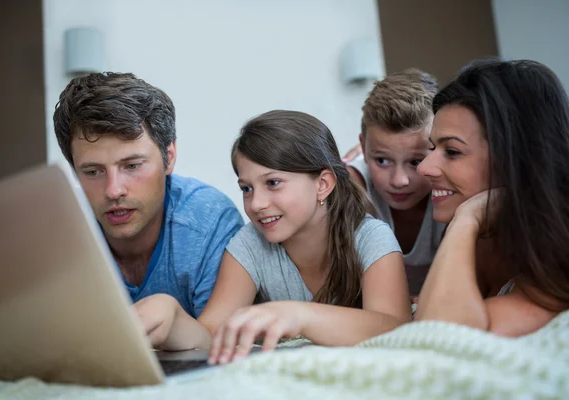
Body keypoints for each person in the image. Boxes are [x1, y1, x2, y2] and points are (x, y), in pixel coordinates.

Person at [135, 110, 411, 364]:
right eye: (247, 188)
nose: (256, 204)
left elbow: (394, 328)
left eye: (273, 183)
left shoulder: (371, 238)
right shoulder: (249, 244)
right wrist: (172, 317)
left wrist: (300, 316)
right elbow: (211, 335)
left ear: (323, 184)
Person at [52, 72, 244, 318]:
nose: (113, 190)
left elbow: (217, 347)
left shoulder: (208, 222)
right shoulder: (58, 229)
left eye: (132, 166)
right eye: (92, 171)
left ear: (169, 158)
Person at [415, 59, 569, 335]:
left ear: (516, 157)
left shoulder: (555, 262)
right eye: (431, 148)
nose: (424, 167)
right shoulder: (482, 240)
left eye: (451, 151)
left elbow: (441, 339)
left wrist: (467, 219)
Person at [346, 69, 446, 296]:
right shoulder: (352, 184)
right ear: (362, 147)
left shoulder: (454, 188)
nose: (399, 181)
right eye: (382, 160)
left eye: (416, 161)